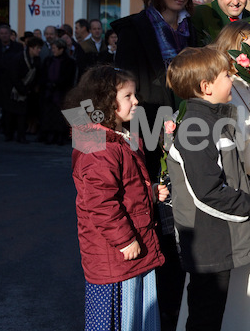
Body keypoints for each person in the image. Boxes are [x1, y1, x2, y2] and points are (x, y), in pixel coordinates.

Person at [174, 21, 250, 330]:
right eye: (228, 71)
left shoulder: (230, 104)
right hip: (219, 222)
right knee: (209, 309)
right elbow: (209, 184)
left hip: (245, 203)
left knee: (214, 306)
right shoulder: (201, 121)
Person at [112, 0, 199, 330]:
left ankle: (177, 295)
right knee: (149, 198)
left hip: (189, 127)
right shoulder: (135, 28)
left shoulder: (193, 30)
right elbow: (120, 83)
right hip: (144, 124)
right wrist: (114, 130)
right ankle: (157, 298)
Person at [66, 65, 168, 331]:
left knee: (132, 313)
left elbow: (125, 189)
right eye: (128, 96)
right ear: (106, 102)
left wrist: (151, 193)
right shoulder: (99, 147)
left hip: (127, 246)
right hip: (116, 253)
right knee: (117, 316)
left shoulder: (119, 137)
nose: (136, 101)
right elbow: (100, 202)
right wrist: (124, 240)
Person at [0, 36, 43, 143]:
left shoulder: (36, 60)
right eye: (37, 48)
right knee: (10, 113)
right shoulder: (19, 58)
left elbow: (37, 75)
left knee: (22, 114)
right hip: (13, 90)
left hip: (25, 90)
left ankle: (20, 135)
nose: (39, 50)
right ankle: (9, 134)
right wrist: (22, 89)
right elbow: (14, 76)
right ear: (31, 48)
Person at [0, 24, 23, 138]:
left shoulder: (17, 47)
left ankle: (8, 131)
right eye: (1, 33)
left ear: (10, 34)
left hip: (10, 82)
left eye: (6, 33)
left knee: (9, 108)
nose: (4, 36)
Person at [39, 39, 76, 145]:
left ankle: (60, 135)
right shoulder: (48, 60)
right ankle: (50, 134)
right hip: (49, 92)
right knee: (49, 113)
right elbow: (44, 74)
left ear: (61, 49)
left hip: (62, 92)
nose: (53, 50)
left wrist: (57, 84)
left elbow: (68, 77)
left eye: (55, 48)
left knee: (60, 115)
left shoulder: (69, 62)